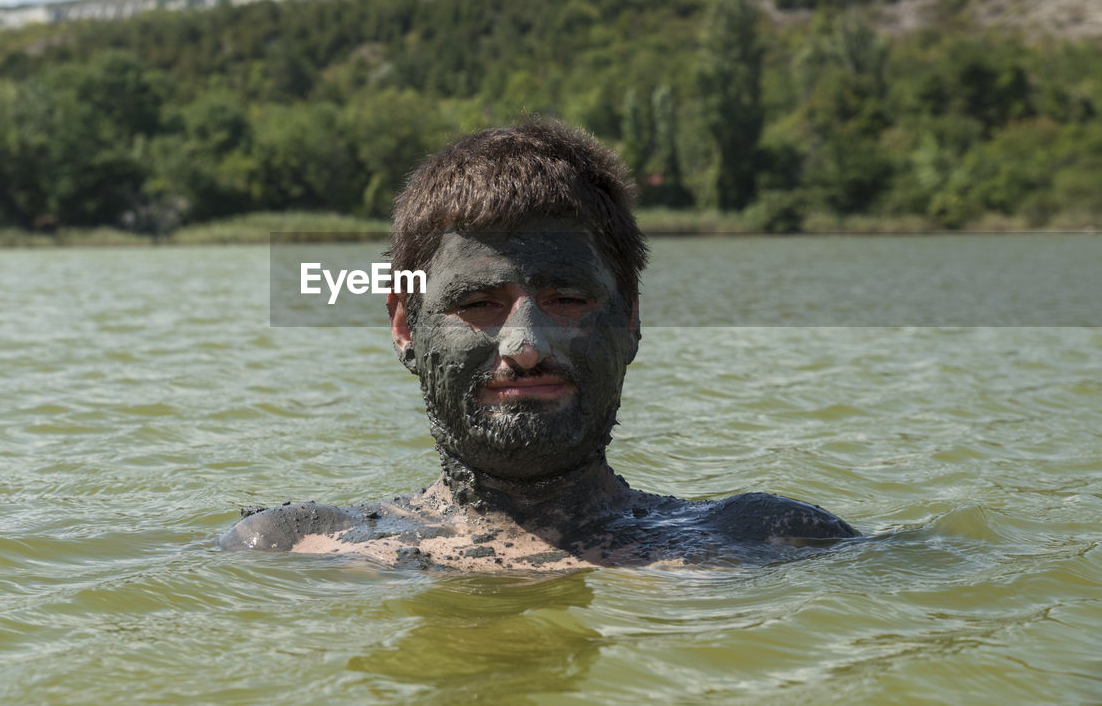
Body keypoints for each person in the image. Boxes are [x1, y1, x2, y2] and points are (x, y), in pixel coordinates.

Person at [220, 117, 858, 570]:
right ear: (405, 328)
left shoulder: (774, 541)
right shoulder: (289, 546)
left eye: (569, 301)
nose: (525, 346)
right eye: (478, 305)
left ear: (631, 320)